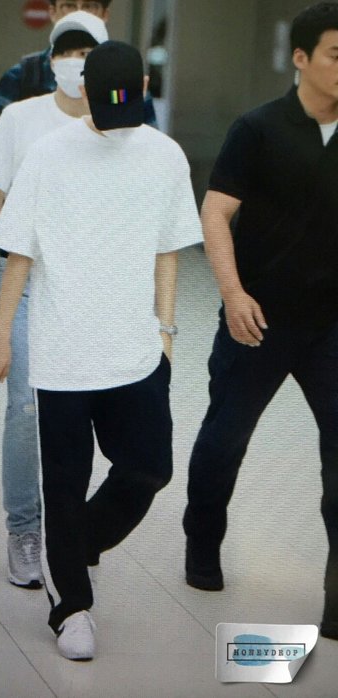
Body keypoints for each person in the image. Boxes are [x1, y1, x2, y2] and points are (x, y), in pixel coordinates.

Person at [0, 40, 202, 661]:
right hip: (63, 352)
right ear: (84, 93)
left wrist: (165, 334)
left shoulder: (165, 156)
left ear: (145, 90)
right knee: (65, 486)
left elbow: (167, 251)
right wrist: (1, 335)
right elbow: (19, 251)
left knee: (150, 468)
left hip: (134, 349)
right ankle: (70, 606)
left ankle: (73, 545)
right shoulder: (50, 154)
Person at [182, 1, 338, 641]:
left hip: (332, 326)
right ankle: (202, 543)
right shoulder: (258, 128)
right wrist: (232, 293)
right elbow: (215, 212)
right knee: (224, 440)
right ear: (301, 58)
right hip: (259, 317)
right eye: (337, 54)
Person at [0, 13, 109, 589]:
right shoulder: (21, 117)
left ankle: (69, 530)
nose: (76, 63)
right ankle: (24, 529)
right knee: (24, 407)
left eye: (88, 53)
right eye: (67, 52)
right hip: (21, 285)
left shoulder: (116, 123)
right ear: (51, 61)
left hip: (89, 288)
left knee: (81, 411)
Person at [0, 0, 157, 243]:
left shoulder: (125, 80)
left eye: (89, 6)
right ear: (52, 12)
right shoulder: (23, 77)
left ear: (105, 14)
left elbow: (148, 154)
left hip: (102, 233)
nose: (78, 13)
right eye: (68, 5)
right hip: (26, 238)